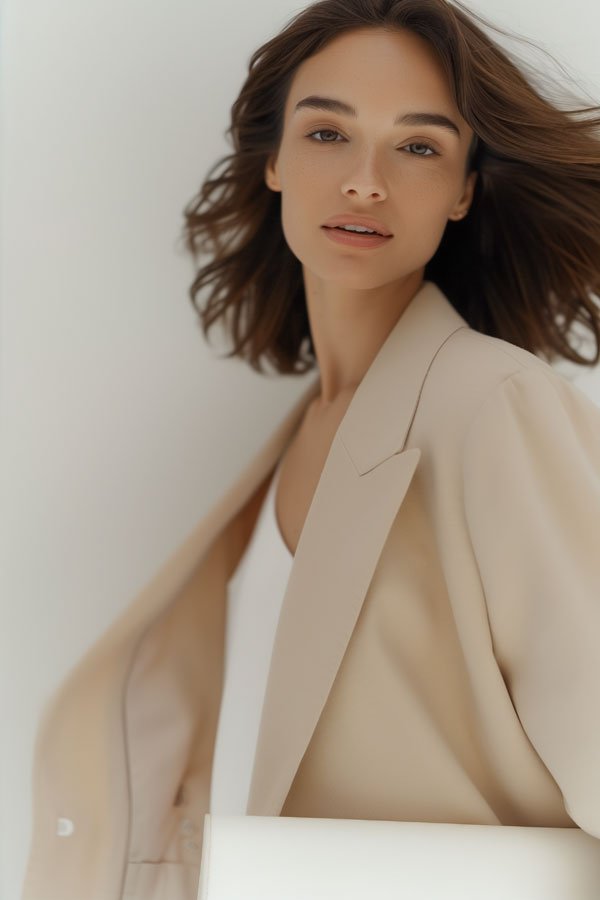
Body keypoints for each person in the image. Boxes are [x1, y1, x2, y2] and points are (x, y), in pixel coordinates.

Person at [21, 1, 600, 899]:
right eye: (328, 133)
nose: (365, 181)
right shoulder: (297, 434)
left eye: (418, 146)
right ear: (275, 161)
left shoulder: (492, 404)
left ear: (463, 190)